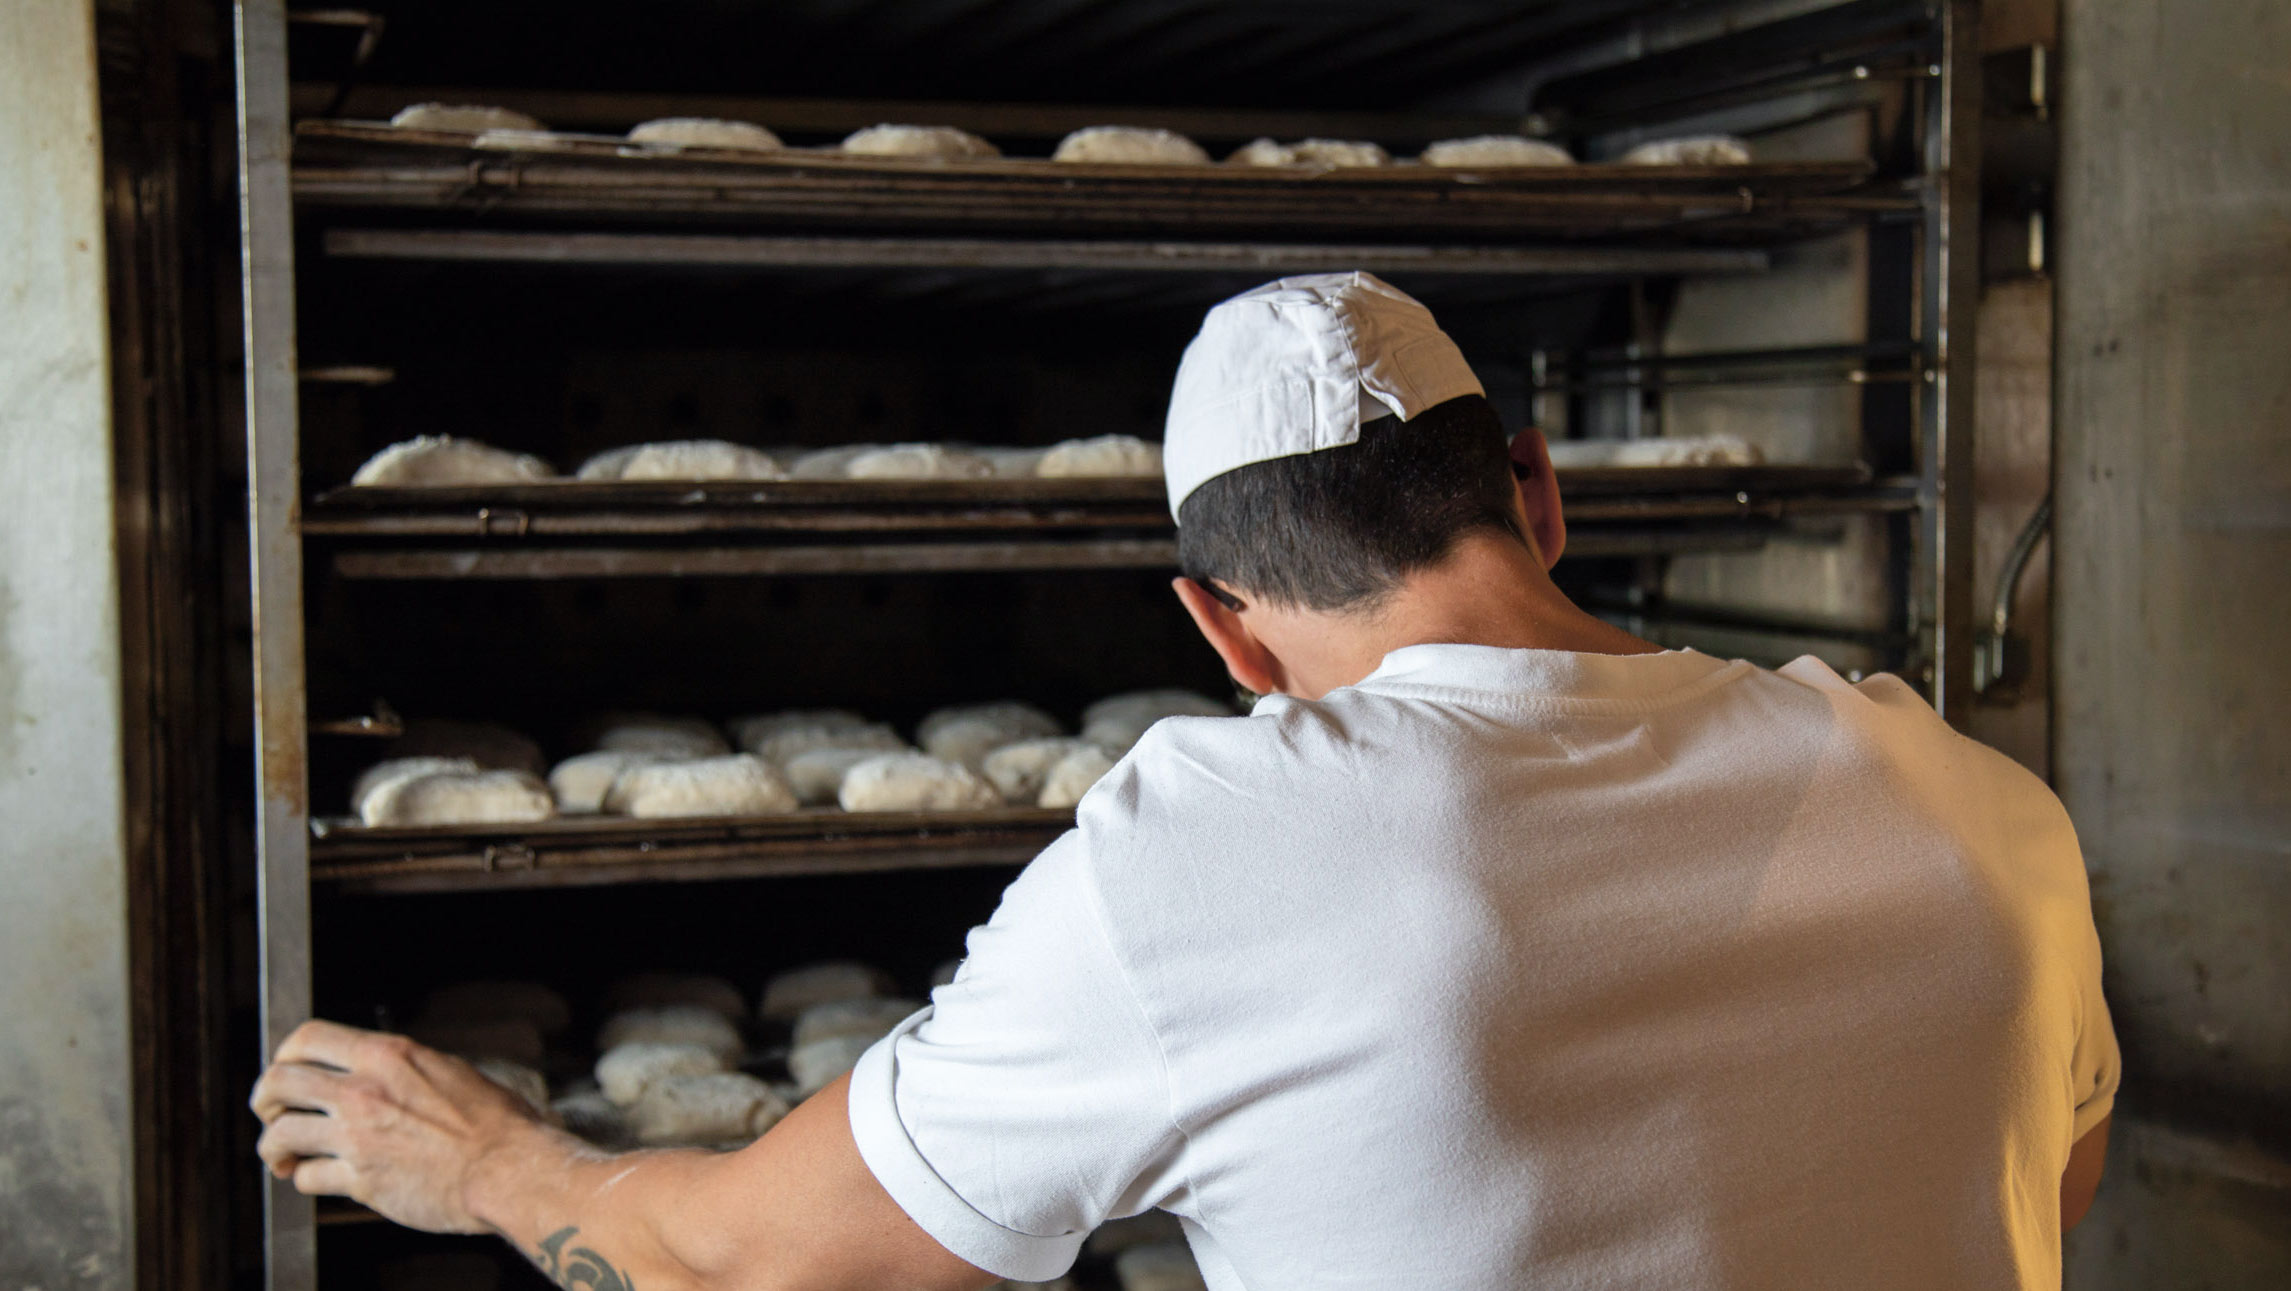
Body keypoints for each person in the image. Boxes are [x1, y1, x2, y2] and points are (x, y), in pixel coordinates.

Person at [253, 273, 2116, 1290]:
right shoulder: (1970, 798)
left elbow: (753, 1271)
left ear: (1220, 625)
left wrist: (501, 1165)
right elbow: (2053, 1178)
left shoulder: (1213, 858)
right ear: (1541, 497)